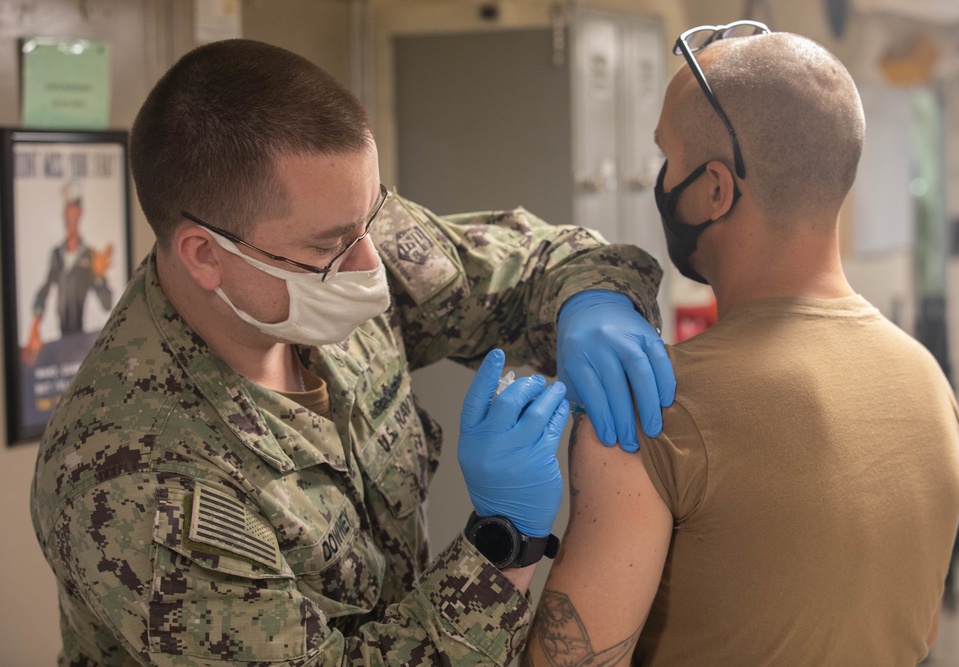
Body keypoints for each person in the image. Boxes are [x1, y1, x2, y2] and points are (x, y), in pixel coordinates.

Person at [29, 39, 675, 666]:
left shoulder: (330, 243)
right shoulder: (138, 479)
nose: (372, 264)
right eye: (331, 245)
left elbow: (538, 262)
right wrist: (501, 544)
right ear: (206, 255)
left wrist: (590, 304)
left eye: (370, 218)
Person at [525, 24, 959, 667]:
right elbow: (917, 631)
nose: (659, 179)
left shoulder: (648, 409)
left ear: (713, 190)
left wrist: (500, 543)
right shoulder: (926, 382)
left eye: (665, 159)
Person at [21, 180, 115, 366]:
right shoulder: (57, 254)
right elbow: (45, 289)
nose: (70, 216)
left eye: (74, 208)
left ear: (80, 212)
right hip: (59, 342)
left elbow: (107, 304)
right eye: (67, 209)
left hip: (82, 343)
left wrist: (99, 277)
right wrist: (34, 325)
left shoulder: (90, 256)